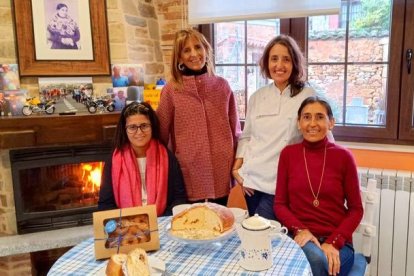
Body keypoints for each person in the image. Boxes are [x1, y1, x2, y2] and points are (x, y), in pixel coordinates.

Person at [274, 96, 363, 276]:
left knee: (317, 260)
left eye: (319, 117)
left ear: (331, 123)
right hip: (301, 238)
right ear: (299, 123)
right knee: (314, 258)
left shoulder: (344, 157)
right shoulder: (288, 155)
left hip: (338, 244)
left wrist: (334, 242)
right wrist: (301, 230)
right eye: (306, 117)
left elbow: (356, 210)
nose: (312, 123)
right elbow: (280, 204)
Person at [232, 34, 317, 220]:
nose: (279, 65)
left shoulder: (307, 95)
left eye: (286, 59)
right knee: (259, 236)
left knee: (268, 232)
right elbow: (247, 137)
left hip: (283, 182)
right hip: (252, 181)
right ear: (266, 63)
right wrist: (236, 170)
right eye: (274, 59)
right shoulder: (257, 96)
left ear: (294, 63)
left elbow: (320, 134)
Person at [156, 29, 241, 206]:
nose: (194, 54)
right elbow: (161, 135)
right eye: (186, 50)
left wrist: (237, 163)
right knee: (194, 226)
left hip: (222, 168)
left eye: (198, 47)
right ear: (178, 58)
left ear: (206, 50)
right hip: (189, 172)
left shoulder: (222, 86)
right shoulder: (171, 90)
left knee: (220, 222)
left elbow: (235, 130)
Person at [98, 102, 187, 216]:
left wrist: (160, 223)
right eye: (132, 127)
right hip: (127, 226)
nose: (139, 132)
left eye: (144, 126)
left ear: (152, 127)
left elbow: (178, 197)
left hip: (162, 222)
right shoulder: (114, 161)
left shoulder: (167, 156)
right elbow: (105, 204)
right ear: (124, 130)